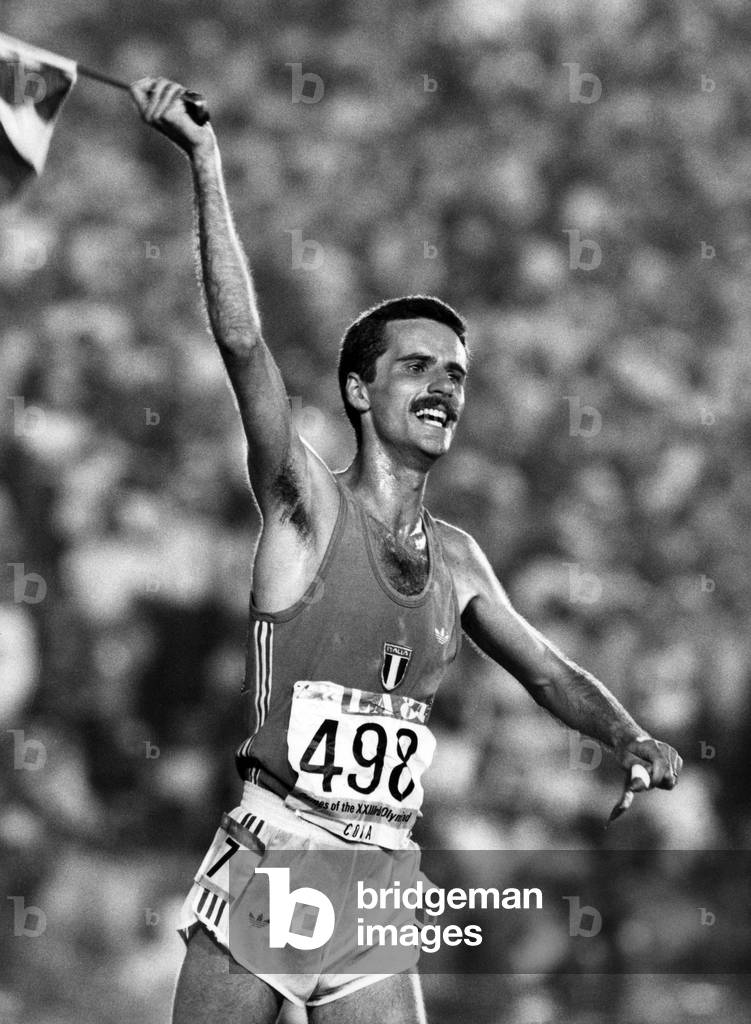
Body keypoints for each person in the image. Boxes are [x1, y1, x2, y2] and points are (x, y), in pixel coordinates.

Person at [128, 78, 683, 1024]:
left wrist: (627, 736)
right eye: (416, 366)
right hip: (280, 844)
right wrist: (206, 162)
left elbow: (548, 675)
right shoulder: (305, 504)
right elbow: (240, 342)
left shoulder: (460, 559)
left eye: (457, 375)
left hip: (379, 866)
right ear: (356, 390)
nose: (443, 387)